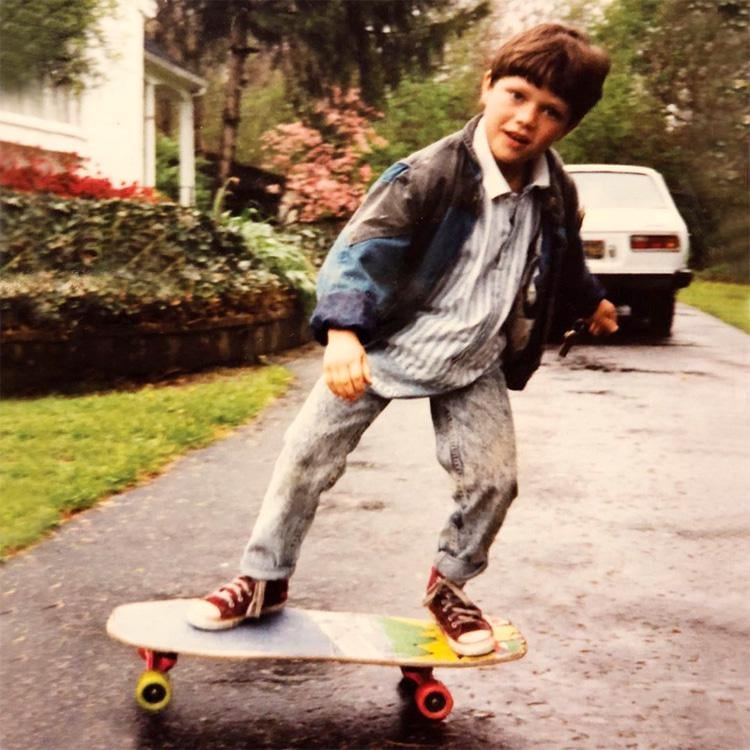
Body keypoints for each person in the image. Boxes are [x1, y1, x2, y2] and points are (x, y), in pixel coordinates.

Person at [187, 22, 618, 656]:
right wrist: (342, 332)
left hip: (473, 359)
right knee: (306, 455)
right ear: (488, 86)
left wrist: (594, 300)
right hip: (382, 345)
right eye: (517, 95)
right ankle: (263, 578)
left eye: (550, 111)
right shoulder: (427, 175)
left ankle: (450, 587)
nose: (527, 119)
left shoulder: (557, 193)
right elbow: (361, 252)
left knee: (494, 482)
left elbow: (561, 259)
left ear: (569, 124)